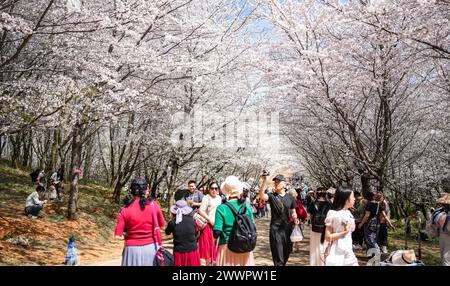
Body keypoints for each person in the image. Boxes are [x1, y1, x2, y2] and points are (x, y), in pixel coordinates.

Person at [114, 178, 166, 266]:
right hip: (151, 248)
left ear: (131, 192)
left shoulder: (125, 209)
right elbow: (163, 227)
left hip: (131, 250)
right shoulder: (154, 205)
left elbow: (117, 236)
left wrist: (128, 235)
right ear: (145, 191)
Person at [213, 176, 255, 266]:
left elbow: (217, 232)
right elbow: (252, 224)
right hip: (244, 246)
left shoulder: (221, 208)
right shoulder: (247, 206)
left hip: (227, 246)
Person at [259, 174, 298, 266]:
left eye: (279, 181)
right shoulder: (272, 196)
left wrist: (295, 218)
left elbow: (293, 211)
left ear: (284, 183)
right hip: (275, 229)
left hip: (287, 229)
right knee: (278, 255)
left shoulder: (290, 198)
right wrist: (264, 181)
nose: (276, 183)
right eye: (275, 182)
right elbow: (261, 195)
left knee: (287, 252)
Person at [323, 187, 358, 266]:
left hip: (348, 249)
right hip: (336, 252)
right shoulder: (334, 214)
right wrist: (344, 232)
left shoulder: (348, 212)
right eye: (352, 196)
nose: (354, 199)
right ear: (346, 199)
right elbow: (328, 237)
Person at [165, 200, 201, 266]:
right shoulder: (192, 220)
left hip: (179, 251)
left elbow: (167, 232)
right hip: (192, 250)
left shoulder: (172, 222)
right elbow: (196, 233)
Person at [358, 191, 394, 257]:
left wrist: (361, 223)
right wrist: (390, 224)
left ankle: (377, 251)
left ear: (367, 198)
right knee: (374, 238)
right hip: (377, 223)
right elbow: (385, 215)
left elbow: (367, 216)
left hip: (369, 223)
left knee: (369, 239)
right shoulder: (379, 204)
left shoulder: (369, 204)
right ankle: (371, 254)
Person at [197, 181, 222, 265]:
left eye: (216, 188)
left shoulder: (219, 198)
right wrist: (210, 220)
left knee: (216, 246)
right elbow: (201, 211)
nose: (214, 190)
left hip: (218, 225)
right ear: (209, 189)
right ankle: (208, 263)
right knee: (208, 247)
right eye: (212, 188)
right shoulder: (206, 198)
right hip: (208, 225)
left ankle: (214, 262)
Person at [307, 186, 332, 266]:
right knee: (325, 247)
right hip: (326, 229)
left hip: (315, 228)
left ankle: (315, 263)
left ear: (316, 194)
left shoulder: (313, 203)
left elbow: (308, 217)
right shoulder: (330, 204)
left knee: (315, 247)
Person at [428, 193, 450, 266]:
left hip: (446, 235)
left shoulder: (439, 213)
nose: (444, 205)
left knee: (446, 258)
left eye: (445, 204)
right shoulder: (439, 213)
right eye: (443, 204)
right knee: (444, 256)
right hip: (443, 235)